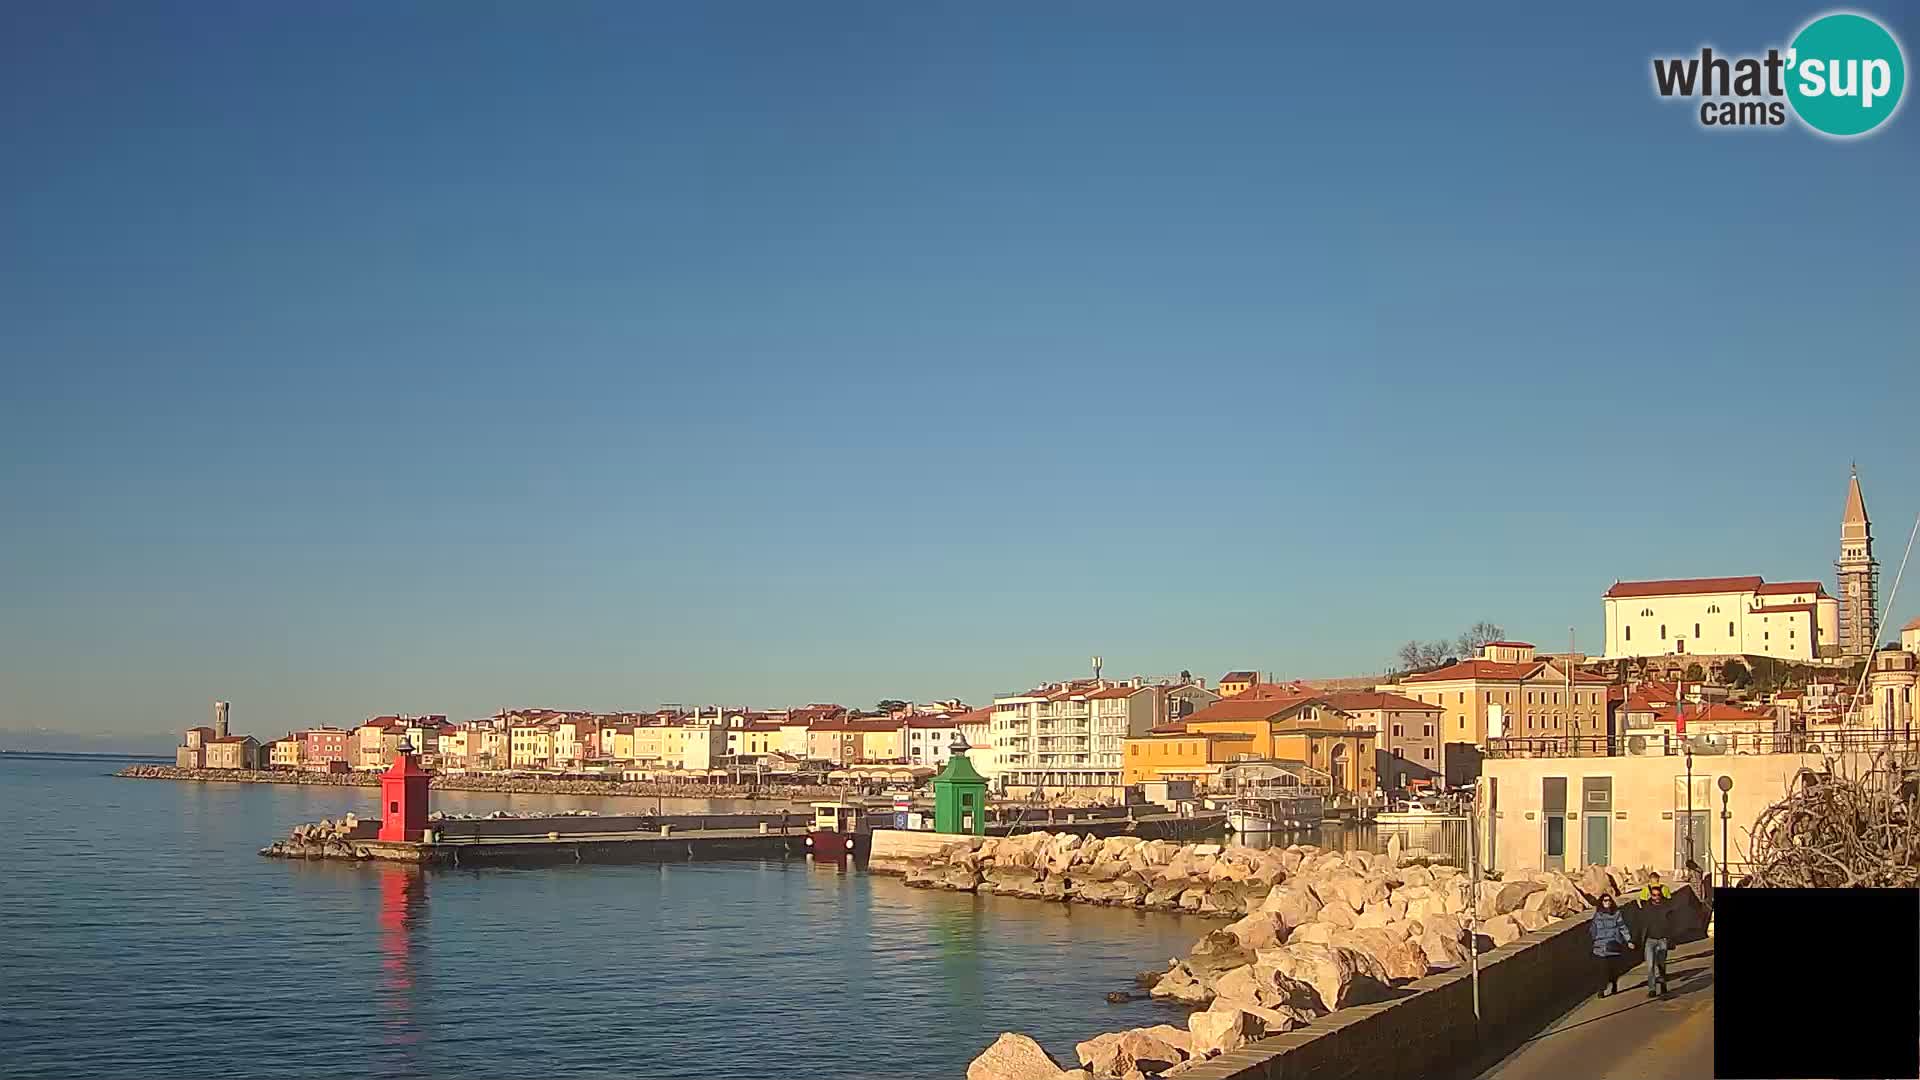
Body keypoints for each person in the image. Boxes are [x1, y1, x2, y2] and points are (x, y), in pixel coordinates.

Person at [1589, 893, 1634, 997]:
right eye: (1605, 900)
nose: (1607, 902)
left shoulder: (1616, 914)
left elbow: (1623, 927)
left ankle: (1614, 983)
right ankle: (1601, 989)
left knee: (1613, 969)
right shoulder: (1597, 915)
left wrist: (1629, 941)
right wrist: (1594, 940)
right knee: (1602, 970)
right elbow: (1593, 930)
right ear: (1601, 902)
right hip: (1600, 946)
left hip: (1613, 945)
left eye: (1609, 900)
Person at [1638, 872, 1675, 997]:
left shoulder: (1666, 907)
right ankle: (1652, 989)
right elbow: (1642, 922)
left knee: (1661, 964)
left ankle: (1663, 982)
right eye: (1654, 895)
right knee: (1650, 966)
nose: (1656, 897)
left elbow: (1671, 923)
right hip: (1650, 940)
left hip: (1662, 939)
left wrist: (1671, 939)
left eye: (1658, 895)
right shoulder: (1647, 907)